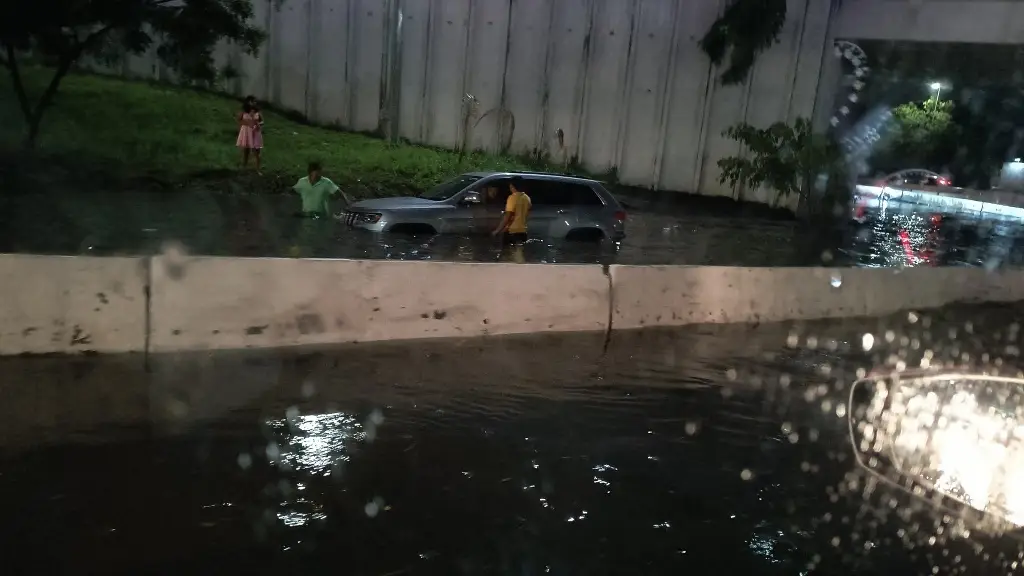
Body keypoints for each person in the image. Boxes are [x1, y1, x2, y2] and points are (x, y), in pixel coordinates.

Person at [492, 177, 531, 243]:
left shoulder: (512, 198)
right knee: (519, 252)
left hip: (512, 232)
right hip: (523, 232)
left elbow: (508, 216)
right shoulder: (527, 198)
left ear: (512, 186)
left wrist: (497, 230)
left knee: (508, 252)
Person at [236, 95, 264, 173]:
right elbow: (239, 120)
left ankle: (258, 169)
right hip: (246, 132)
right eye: (252, 101)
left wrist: (258, 124)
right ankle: (244, 166)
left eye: (255, 101)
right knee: (246, 151)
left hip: (255, 133)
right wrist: (247, 123)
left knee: (257, 152)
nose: (254, 103)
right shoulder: (244, 112)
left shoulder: (257, 112)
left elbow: (262, 122)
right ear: (248, 102)